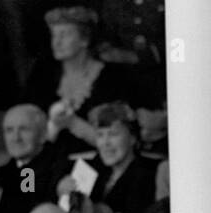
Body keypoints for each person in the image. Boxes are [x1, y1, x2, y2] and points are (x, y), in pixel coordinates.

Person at [23, 6, 139, 156]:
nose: (56, 42)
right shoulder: (42, 77)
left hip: (100, 164)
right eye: (54, 35)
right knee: (26, 177)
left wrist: (73, 123)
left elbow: (121, 141)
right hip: (48, 167)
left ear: (84, 40)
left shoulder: (113, 77)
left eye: (64, 35)